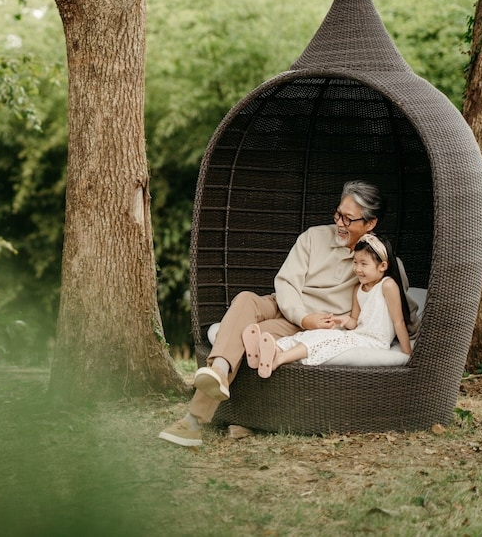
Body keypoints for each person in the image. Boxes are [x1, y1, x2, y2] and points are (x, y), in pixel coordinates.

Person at [158, 180, 417, 447]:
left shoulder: (382, 264)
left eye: (349, 219)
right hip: (286, 307)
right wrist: (303, 317)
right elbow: (286, 285)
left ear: (370, 223)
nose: (340, 223)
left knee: (243, 339)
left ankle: (192, 422)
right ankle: (219, 372)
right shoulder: (313, 238)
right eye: (338, 214)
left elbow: (399, 305)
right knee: (246, 299)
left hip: (316, 328)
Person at [246, 233, 412, 378]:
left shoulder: (388, 285)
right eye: (355, 262)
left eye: (364, 264)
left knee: (326, 340)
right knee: (317, 334)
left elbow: (398, 321)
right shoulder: (358, 289)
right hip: (359, 335)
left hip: (375, 342)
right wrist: (341, 320)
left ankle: (279, 359)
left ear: (383, 266)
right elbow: (354, 321)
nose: (357, 269)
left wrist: (407, 354)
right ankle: (271, 350)